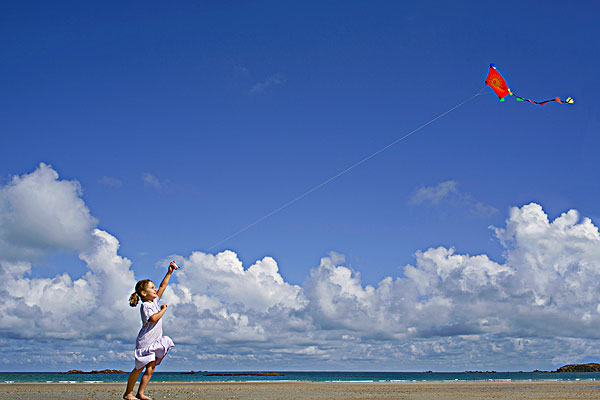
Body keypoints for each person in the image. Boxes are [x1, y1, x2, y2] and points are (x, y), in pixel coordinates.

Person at [123, 261, 179, 400]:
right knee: (139, 368)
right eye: (151, 288)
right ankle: (128, 393)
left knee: (151, 368)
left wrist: (169, 272)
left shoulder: (154, 302)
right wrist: (164, 310)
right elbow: (153, 319)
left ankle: (140, 393)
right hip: (145, 342)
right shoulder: (146, 306)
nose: (155, 290)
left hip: (155, 341)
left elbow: (162, 286)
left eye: (154, 288)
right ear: (143, 293)